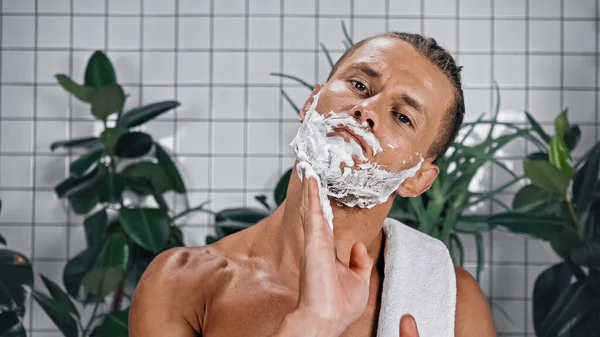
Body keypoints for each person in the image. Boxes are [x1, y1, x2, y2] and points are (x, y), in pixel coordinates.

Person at [129, 32, 497, 336]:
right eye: (359, 84)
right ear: (312, 103)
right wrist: (309, 327)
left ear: (417, 179)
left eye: (402, 117)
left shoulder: (454, 304)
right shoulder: (184, 284)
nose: (365, 110)